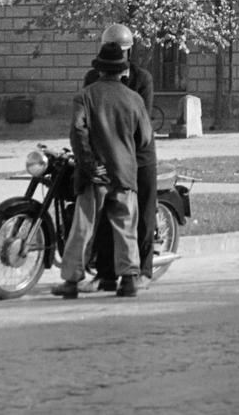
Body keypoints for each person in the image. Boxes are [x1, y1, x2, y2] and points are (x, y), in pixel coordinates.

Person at [53, 41, 154, 300]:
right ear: (122, 71)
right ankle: (129, 280)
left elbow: (78, 132)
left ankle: (72, 281)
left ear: (99, 70)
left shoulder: (86, 96)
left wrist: (89, 164)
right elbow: (144, 138)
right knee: (125, 226)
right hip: (124, 172)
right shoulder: (135, 99)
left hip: (94, 174)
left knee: (83, 227)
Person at [88, 23, 160, 290]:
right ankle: (105, 273)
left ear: (129, 51)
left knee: (142, 212)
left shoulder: (142, 80)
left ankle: (143, 270)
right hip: (108, 156)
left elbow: (142, 126)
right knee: (106, 214)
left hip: (139, 156)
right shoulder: (91, 80)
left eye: (121, 50)